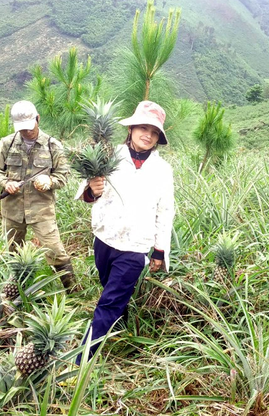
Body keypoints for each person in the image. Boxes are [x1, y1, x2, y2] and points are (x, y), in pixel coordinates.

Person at [75, 100, 175, 363]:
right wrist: (91, 189)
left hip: (136, 244)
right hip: (105, 237)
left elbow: (165, 210)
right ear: (130, 129)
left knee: (108, 302)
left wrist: (160, 250)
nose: (148, 135)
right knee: (110, 289)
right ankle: (118, 321)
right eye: (143, 128)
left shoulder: (163, 171)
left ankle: (81, 361)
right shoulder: (109, 155)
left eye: (154, 132)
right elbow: (85, 192)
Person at [0, 100, 76, 291]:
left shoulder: (53, 145)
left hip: (41, 211)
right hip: (12, 211)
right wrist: (5, 183)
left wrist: (50, 182)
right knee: (14, 253)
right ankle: (18, 292)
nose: (27, 132)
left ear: (38, 119)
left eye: (30, 127)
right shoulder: (6, 144)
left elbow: (64, 174)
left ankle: (73, 292)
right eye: (22, 129)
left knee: (55, 251)